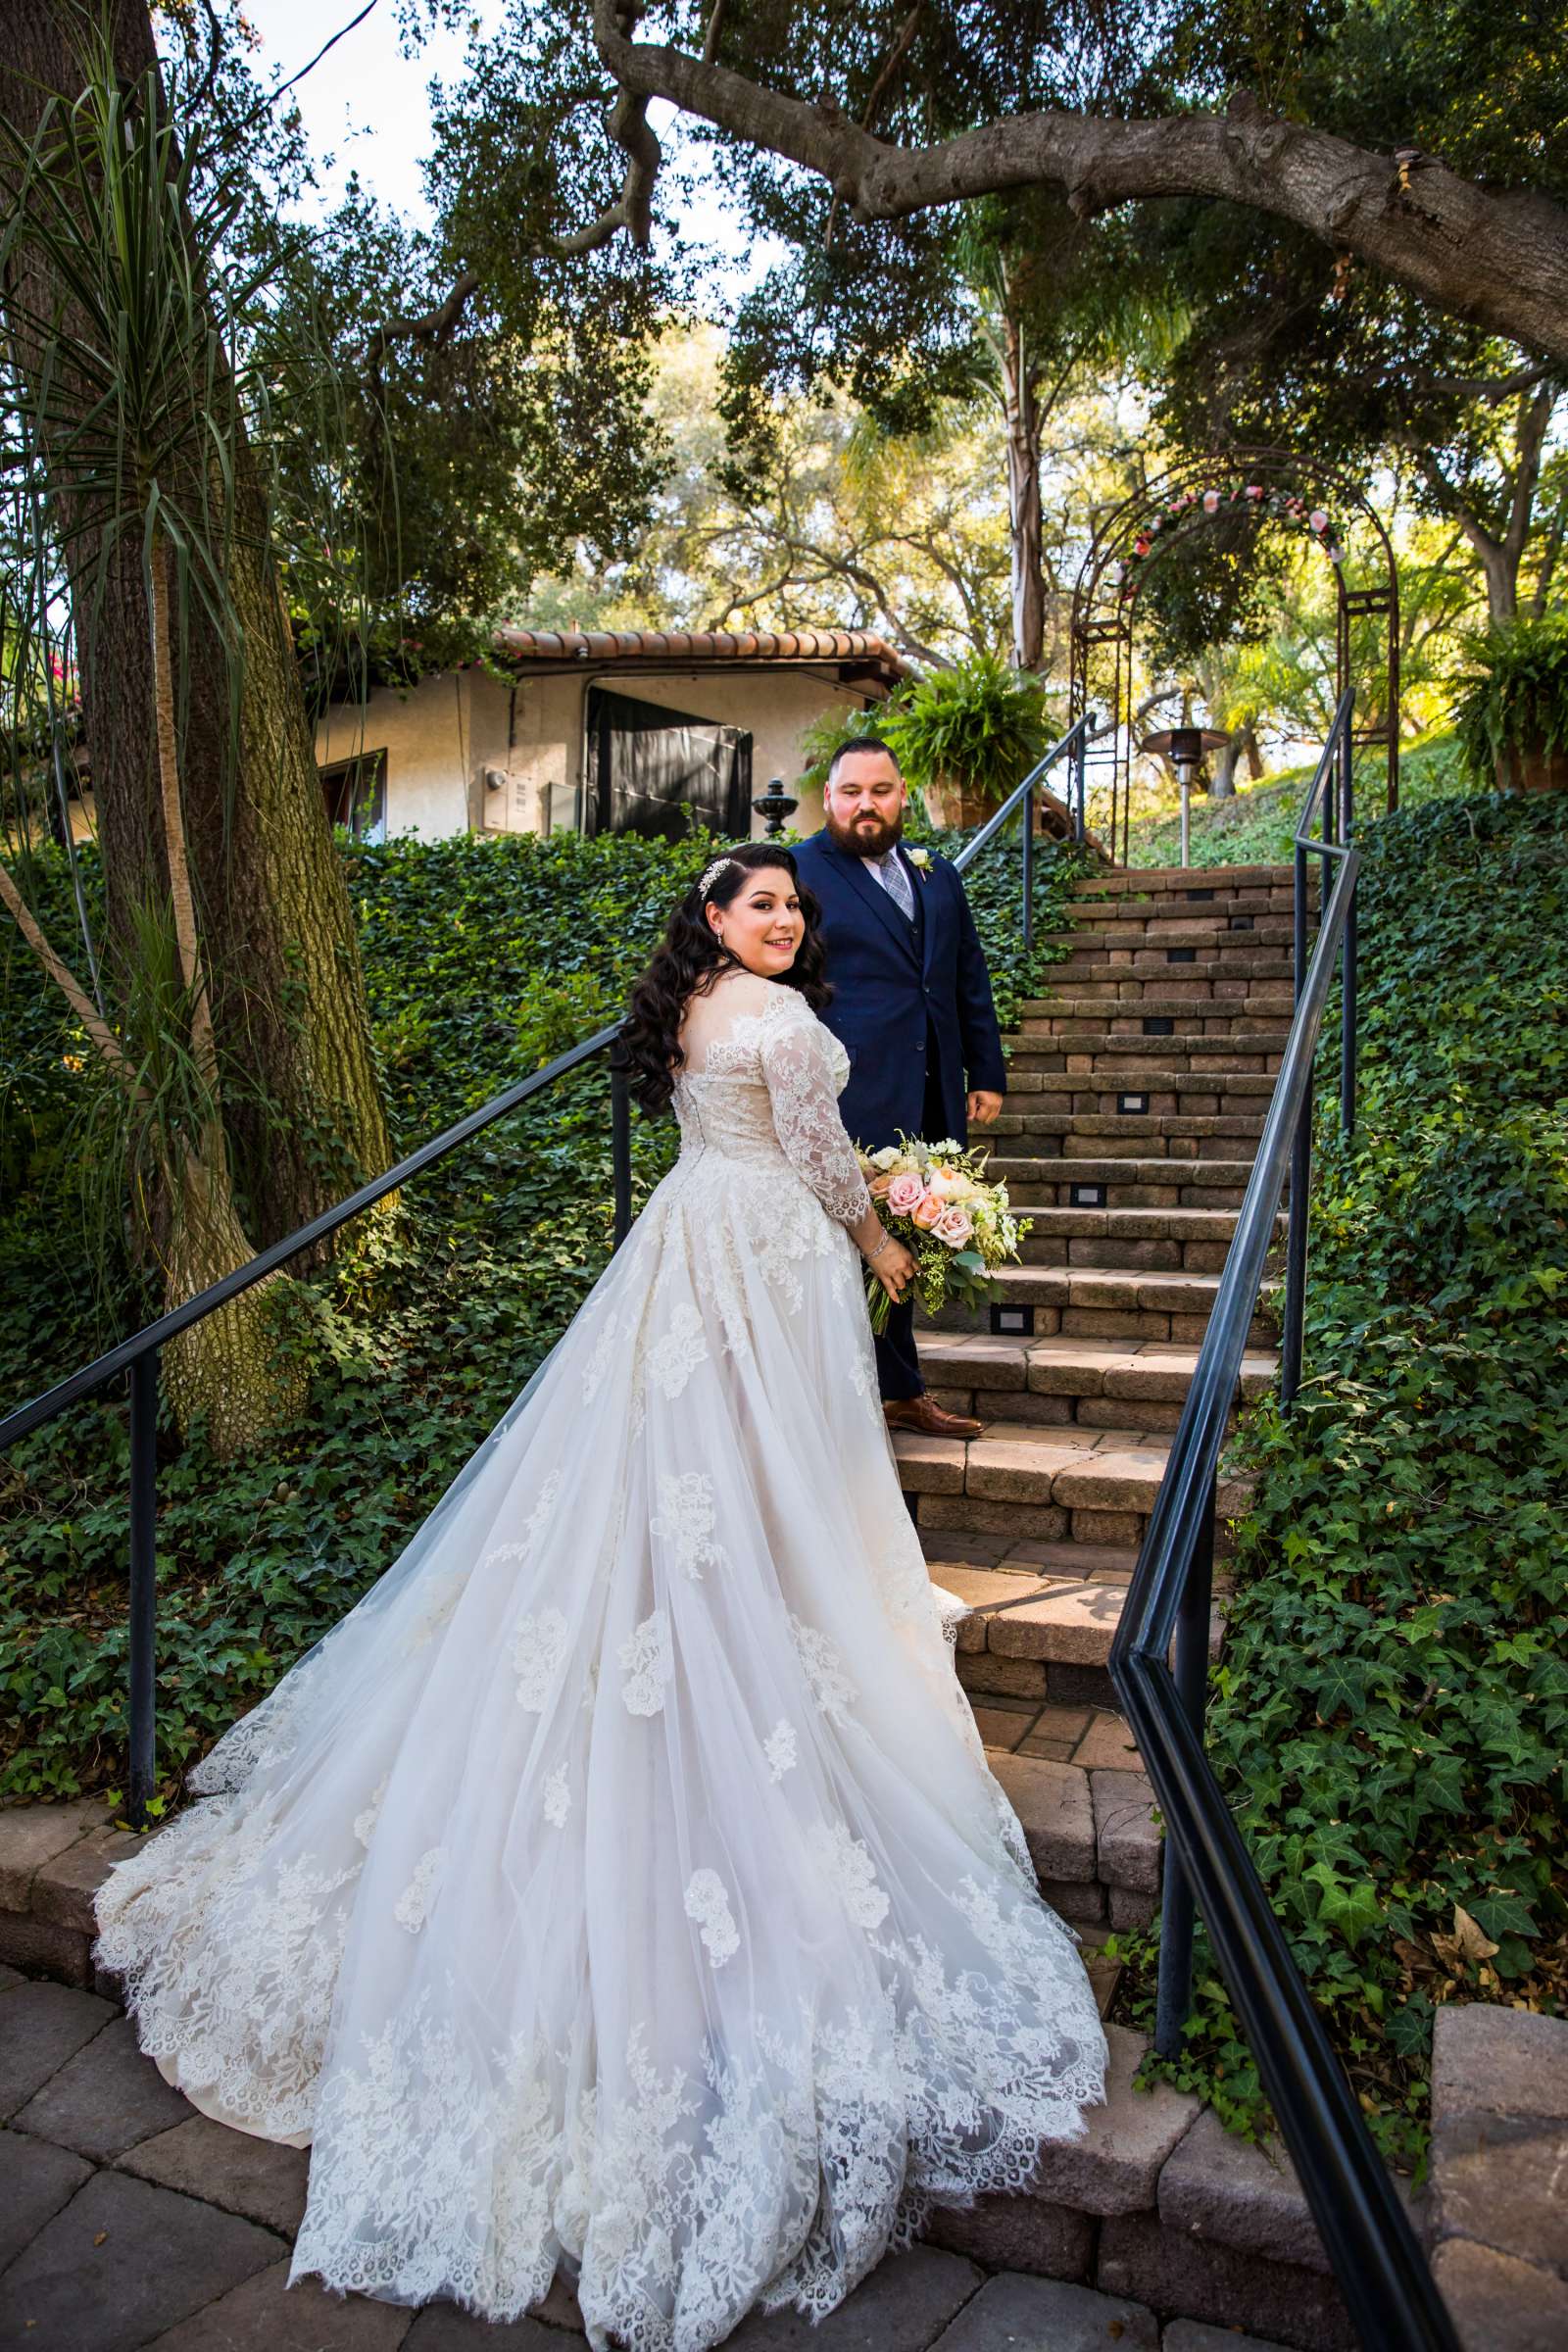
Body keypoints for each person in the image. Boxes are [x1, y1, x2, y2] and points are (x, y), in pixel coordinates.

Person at [96, 843, 1105, 2352]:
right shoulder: (766, 1017)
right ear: (713, 918)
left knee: (683, 1480)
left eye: (792, 909)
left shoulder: (696, 1008)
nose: (782, 921)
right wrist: (894, 1228)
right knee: (754, 1479)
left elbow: (761, 1137)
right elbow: (826, 1166)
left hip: (694, 1247)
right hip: (763, 1259)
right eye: (760, 905)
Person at [792, 740, 1006, 1440]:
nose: (865, 804)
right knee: (850, 1241)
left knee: (914, 1229)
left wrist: (985, 1070)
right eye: (850, 791)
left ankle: (899, 1390)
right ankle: (843, 1397)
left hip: (933, 1086)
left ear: (902, 794)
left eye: (879, 790)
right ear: (828, 797)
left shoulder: (936, 872)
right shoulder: (797, 871)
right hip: (850, 1090)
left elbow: (964, 973)